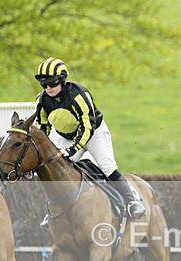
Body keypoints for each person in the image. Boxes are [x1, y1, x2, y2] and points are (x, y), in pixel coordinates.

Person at [34, 57, 145, 219]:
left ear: (62, 81)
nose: (48, 88)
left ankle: (132, 200)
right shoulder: (42, 100)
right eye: (44, 84)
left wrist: (73, 149)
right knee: (56, 168)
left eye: (52, 84)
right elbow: (42, 127)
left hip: (94, 132)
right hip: (66, 135)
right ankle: (57, 210)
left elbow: (87, 127)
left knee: (107, 166)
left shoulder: (78, 95)